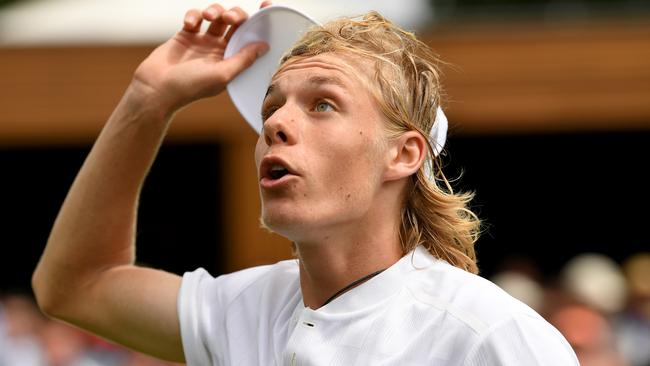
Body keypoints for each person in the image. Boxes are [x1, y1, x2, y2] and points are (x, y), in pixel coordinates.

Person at [32, 2, 579, 365]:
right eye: (273, 106)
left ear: (403, 154)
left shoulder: (491, 336)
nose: (274, 123)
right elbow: (73, 286)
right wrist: (148, 100)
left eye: (323, 104)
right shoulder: (244, 308)